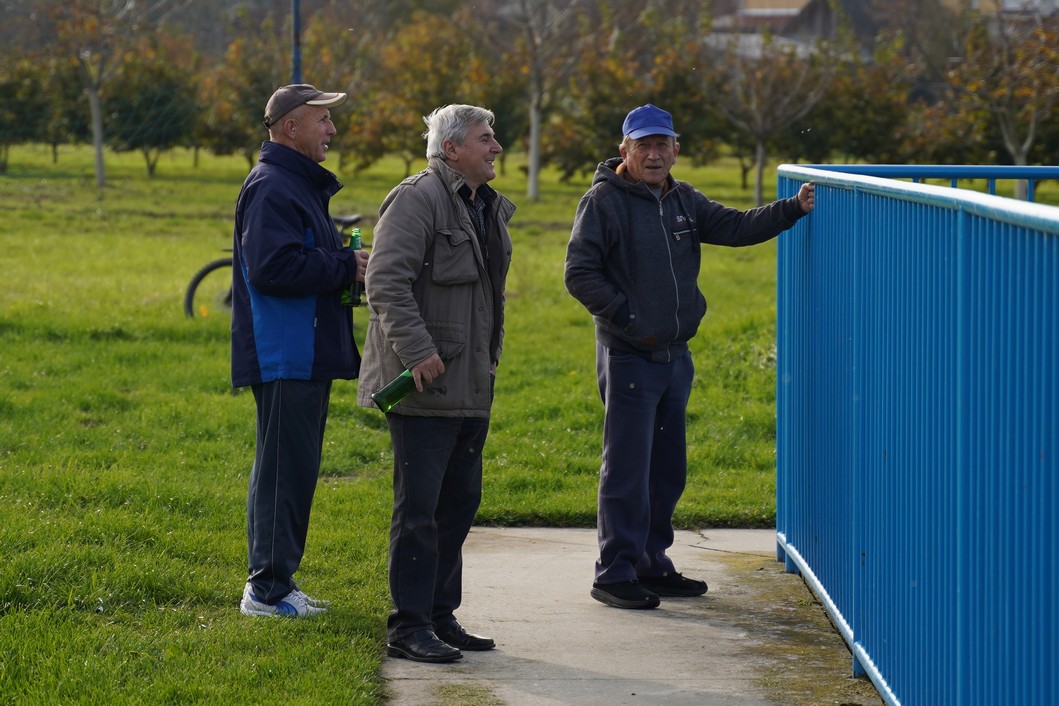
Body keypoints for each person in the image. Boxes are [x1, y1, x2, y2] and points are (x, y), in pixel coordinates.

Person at [564, 104, 814, 610]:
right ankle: (614, 573)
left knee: (666, 469)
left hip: (676, 356)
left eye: (662, 145)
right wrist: (629, 320)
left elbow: (738, 227)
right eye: (643, 146)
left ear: (676, 150)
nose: (653, 155)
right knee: (628, 470)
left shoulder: (683, 199)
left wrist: (793, 208)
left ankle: (652, 564)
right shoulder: (603, 202)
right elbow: (579, 273)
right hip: (630, 356)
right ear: (624, 151)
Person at [357, 104, 514, 663]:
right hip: (426, 383)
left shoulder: (484, 205)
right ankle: (408, 625)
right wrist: (418, 351)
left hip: (471, 383)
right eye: (485, 138)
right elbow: (384, 280)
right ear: (451, 148)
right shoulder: (417, 198)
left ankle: (441, 615)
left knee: (459, 504)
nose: (496, 147)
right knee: (420, 510)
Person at [232, 83, 368, 618]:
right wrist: (342, 265)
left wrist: (341, 263)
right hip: (285, 352)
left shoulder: (296, 184)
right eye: (322, 120)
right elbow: (272, 268)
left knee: (293, 470)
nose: (332, 129)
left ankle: (277, 582)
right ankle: (265, 592)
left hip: (304, 351)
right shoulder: (272, 186)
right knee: (283, 473)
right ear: (291, 127)